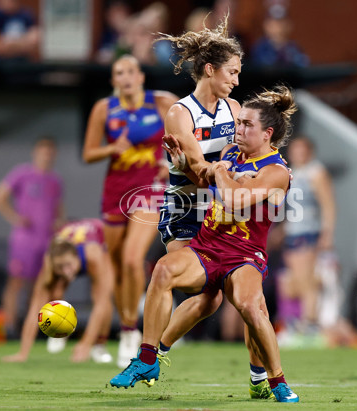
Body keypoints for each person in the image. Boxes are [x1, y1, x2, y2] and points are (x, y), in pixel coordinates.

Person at [110, 85, 300, 403]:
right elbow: (204, 181)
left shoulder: (276, 171)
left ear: (267, 133)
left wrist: (222, 172)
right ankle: (147, 358)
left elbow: (236, 200)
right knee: (163, 271)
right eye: (238, 122)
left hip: (244, 255)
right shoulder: (230, 154)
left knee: (251, 307)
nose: (238, 129)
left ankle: (276, 380)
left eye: (246, 125)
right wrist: (182, 163)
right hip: (207, 247)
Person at [154, 16, 275, 400]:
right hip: (186, 205)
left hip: (216, 210)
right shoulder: (180, 112)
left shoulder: (234, 108)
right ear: (210, 70)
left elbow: (239, 158)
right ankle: (150, 350)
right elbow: (201, 172)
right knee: (207, 292)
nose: (237, 81)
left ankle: (158, 352)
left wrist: (262, 171)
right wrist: (200, 169)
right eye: (232, 72)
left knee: (223, 297)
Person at [82, 54, 177, 368]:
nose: (125, 77)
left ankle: (129, 331)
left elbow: (188, 135)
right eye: (118, 73)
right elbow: (88, 153)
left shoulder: (161, 103)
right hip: (115, 191)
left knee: (133, 259)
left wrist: (170, 163)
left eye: (130, 71)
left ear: (140, 77)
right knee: (118, 265)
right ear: (113, 81)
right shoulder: (103, 109)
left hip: (149, 189)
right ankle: (124, 324)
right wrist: (111, 148)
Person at [2, 219, 114, 363]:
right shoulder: (50, 262)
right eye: (60, 267)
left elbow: (102, 303)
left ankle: (100, 344)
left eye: (68, 265)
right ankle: (61, 329)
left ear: (76, 257)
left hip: (103, 241)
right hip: (70, 244)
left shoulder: (94, 254)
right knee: (54, 291)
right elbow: (35, 309)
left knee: (101, 294)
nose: (66, 272)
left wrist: (85, 344)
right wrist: (23, 353)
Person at [0, 137, 64, 338]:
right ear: (36, 152)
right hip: (24, 241)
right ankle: (8, 327)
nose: (46, 155)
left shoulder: (55, 181)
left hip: (46, 240)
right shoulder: (22, 174)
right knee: (16, 282)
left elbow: (58, 208)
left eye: (50, 152)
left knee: (40, 285)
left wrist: (60, 224)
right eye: (43, 151)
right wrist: (15, 217)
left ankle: (35, 329)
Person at [277, 137, 336, 339]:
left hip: (308, 231)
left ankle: (310, 321)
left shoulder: (316, 173)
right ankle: (303, 320)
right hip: (293, 232)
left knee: (306, 279)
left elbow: (328, 205)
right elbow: (293, 209)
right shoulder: (293, 172)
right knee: (294, 280)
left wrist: (327, 234)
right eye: (295, 149)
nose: (298, 153)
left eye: (302, 150)